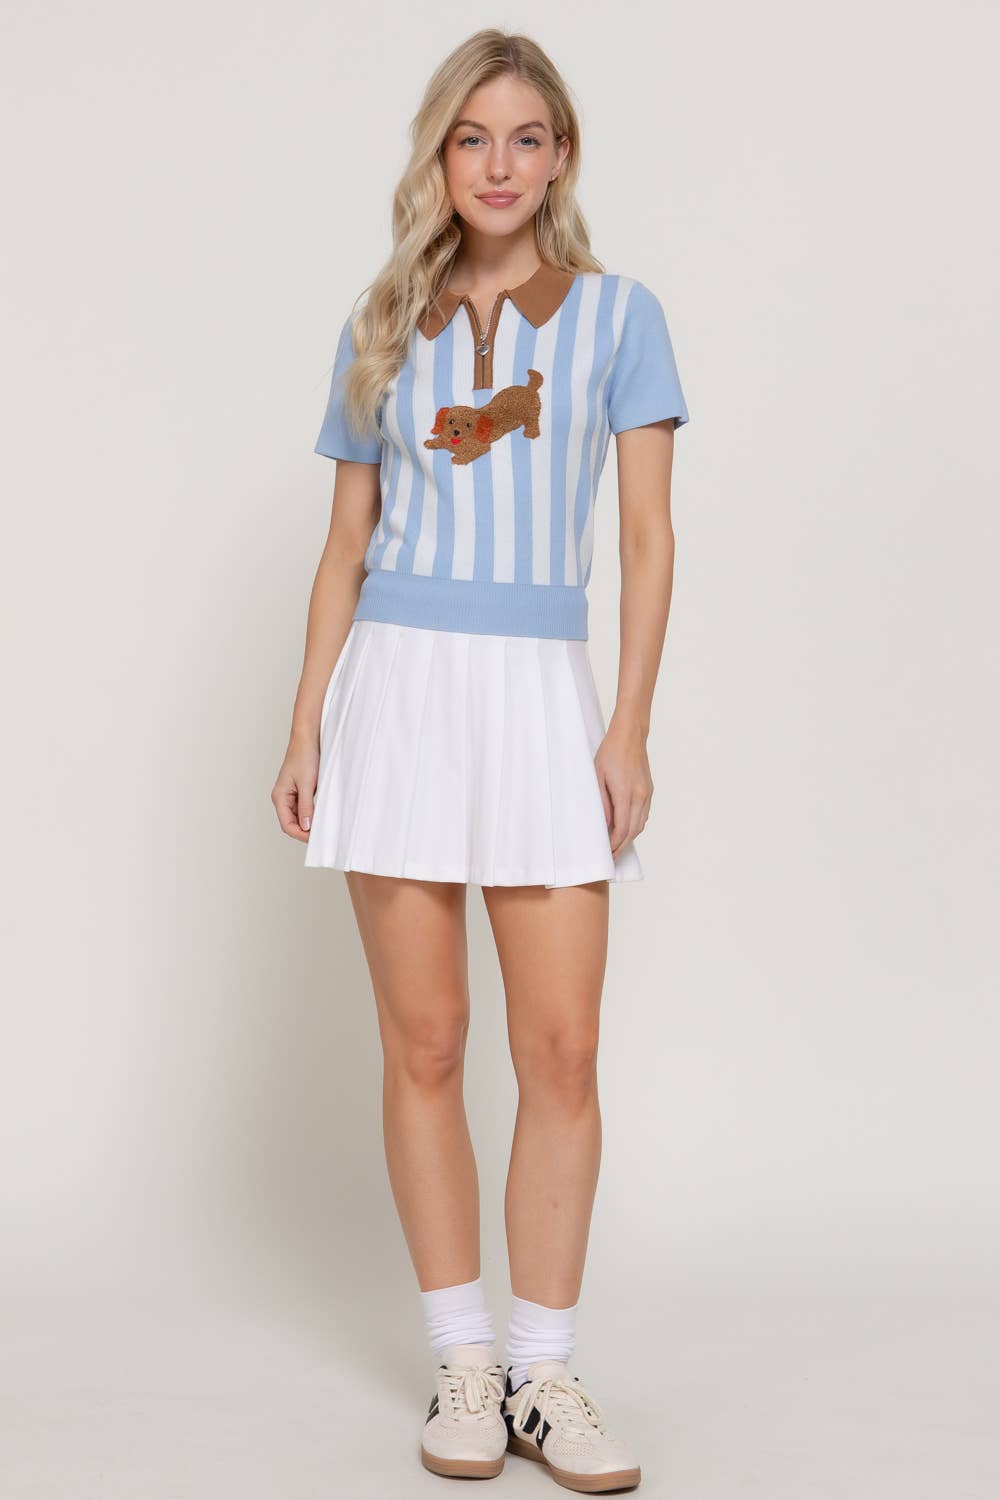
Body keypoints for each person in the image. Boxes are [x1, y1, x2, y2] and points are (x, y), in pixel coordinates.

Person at [272, 28, 689, 1494]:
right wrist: (307, 723)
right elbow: (343, 548)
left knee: (560, 1048)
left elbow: (647, 541)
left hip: (540, 699)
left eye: (525, 137)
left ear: (561, 155)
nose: (498, 165)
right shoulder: (382, 318)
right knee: (429, 1045)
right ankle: (463, 1358)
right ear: (438, 156)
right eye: (471, 138)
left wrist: (627, 726)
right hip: (397, 691)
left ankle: (544, 1371)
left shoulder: (622, 317)